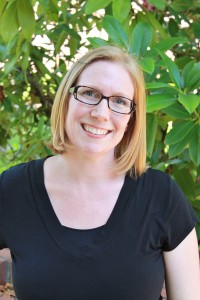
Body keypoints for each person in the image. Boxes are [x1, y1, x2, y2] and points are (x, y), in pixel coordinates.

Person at [0, 45, 200, 300]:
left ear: (131, 119)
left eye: (119, 101)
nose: (101, 113)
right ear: (66, 100)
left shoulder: (162, 197)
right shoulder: (13, 190)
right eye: (90, 93)